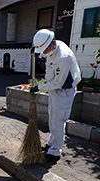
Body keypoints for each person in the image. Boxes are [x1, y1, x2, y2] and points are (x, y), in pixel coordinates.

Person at [30, 29, 81, 161]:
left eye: (44, 50)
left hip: (64, 90)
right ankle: (52, 143)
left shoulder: (63, 57)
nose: (43, 53)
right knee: (52, 118)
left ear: (52, 43)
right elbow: (52, 76)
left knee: (58, 121)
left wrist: (39, 87)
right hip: (55, 88)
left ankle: (55, 151)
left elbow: (58, 82)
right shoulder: (52, 47)